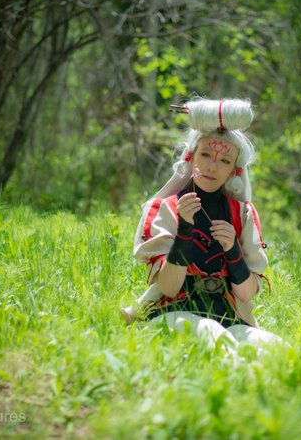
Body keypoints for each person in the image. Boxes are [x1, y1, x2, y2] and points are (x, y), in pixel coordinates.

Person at [122, 98, 285, 350]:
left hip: (229, 317)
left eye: (225, 161)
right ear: (191, 157)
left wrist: (233, 250)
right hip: (171, 312)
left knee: (275, 348)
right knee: (211, 333)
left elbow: (246, 294)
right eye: (206, 155)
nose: (212, 166)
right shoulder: (164, 209)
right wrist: (185, 230)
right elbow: (168, 287)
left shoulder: (242, 214)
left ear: (234, 171)